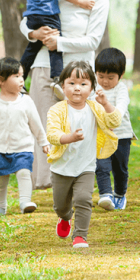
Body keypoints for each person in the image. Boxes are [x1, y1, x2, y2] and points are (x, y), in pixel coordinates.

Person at [20, 0, 110, 190]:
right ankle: (46, 183)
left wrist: (59, 42)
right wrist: (33, 33)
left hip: (79, 74)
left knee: (77, 126)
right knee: (46, 124)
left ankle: (77, 182)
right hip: (43, 66)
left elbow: (93, 40)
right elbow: (27, 20)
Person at [46, 61, 121, 248]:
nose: (77, 89)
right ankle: (65, 218)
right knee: (60, 206)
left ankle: (80, 236)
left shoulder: (95, 107)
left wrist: (106, 104)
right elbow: (52, 134)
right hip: (61, 167)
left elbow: (115, 120)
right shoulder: (57, 110)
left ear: (92, 88)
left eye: (83, 84)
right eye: (71, 83)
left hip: (86, 166)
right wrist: (69, 137)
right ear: (62, 86)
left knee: (83, 199)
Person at [0, 57, 50, 217]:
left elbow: (36, 124)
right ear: (1, 80)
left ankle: (25, 202)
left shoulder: (26, 101)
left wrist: (43, 142)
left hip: (23, 148)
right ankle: (0, 207)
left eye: (22, 75)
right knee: (0, 181)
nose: (21, 80)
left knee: (24, 173)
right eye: (16, 76)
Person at [94, 48, 135, 211]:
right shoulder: (93, 88)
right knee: (101, 165)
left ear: (121, 74)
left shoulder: (121, 89)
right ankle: (105, 194)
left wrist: (107, 109)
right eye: (101, 76)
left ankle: (119, 194)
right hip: (102, 136)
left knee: (120, 168)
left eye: (110, 77)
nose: (105, 81)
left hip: (121, 136)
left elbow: (120, 110)